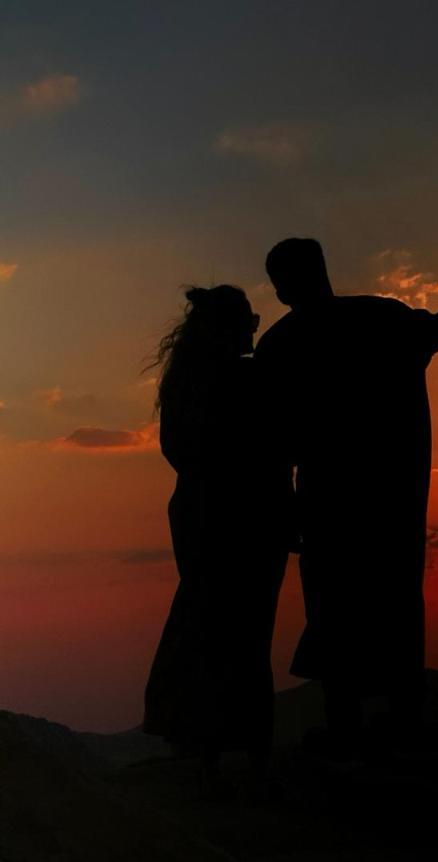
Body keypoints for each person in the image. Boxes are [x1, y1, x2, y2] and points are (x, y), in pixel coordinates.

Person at [254, 238, 438, 760]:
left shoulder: (287, 341)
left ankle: (365, 723)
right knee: (378, 601)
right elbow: (430, 329)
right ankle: (383, 720)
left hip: (346, 500)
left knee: (352, 603)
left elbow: (268, 435)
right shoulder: (369, 321)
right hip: (373, 500)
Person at [143, 285, 293, 790]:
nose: (254, 330)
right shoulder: (246, 380)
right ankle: (246, 752)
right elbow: (278, 448)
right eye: (248, 322)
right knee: (246, 632)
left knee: (209, 623)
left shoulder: (185, 383)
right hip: (245, 516)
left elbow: (179, 450)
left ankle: (209, 748)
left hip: (203, 512)